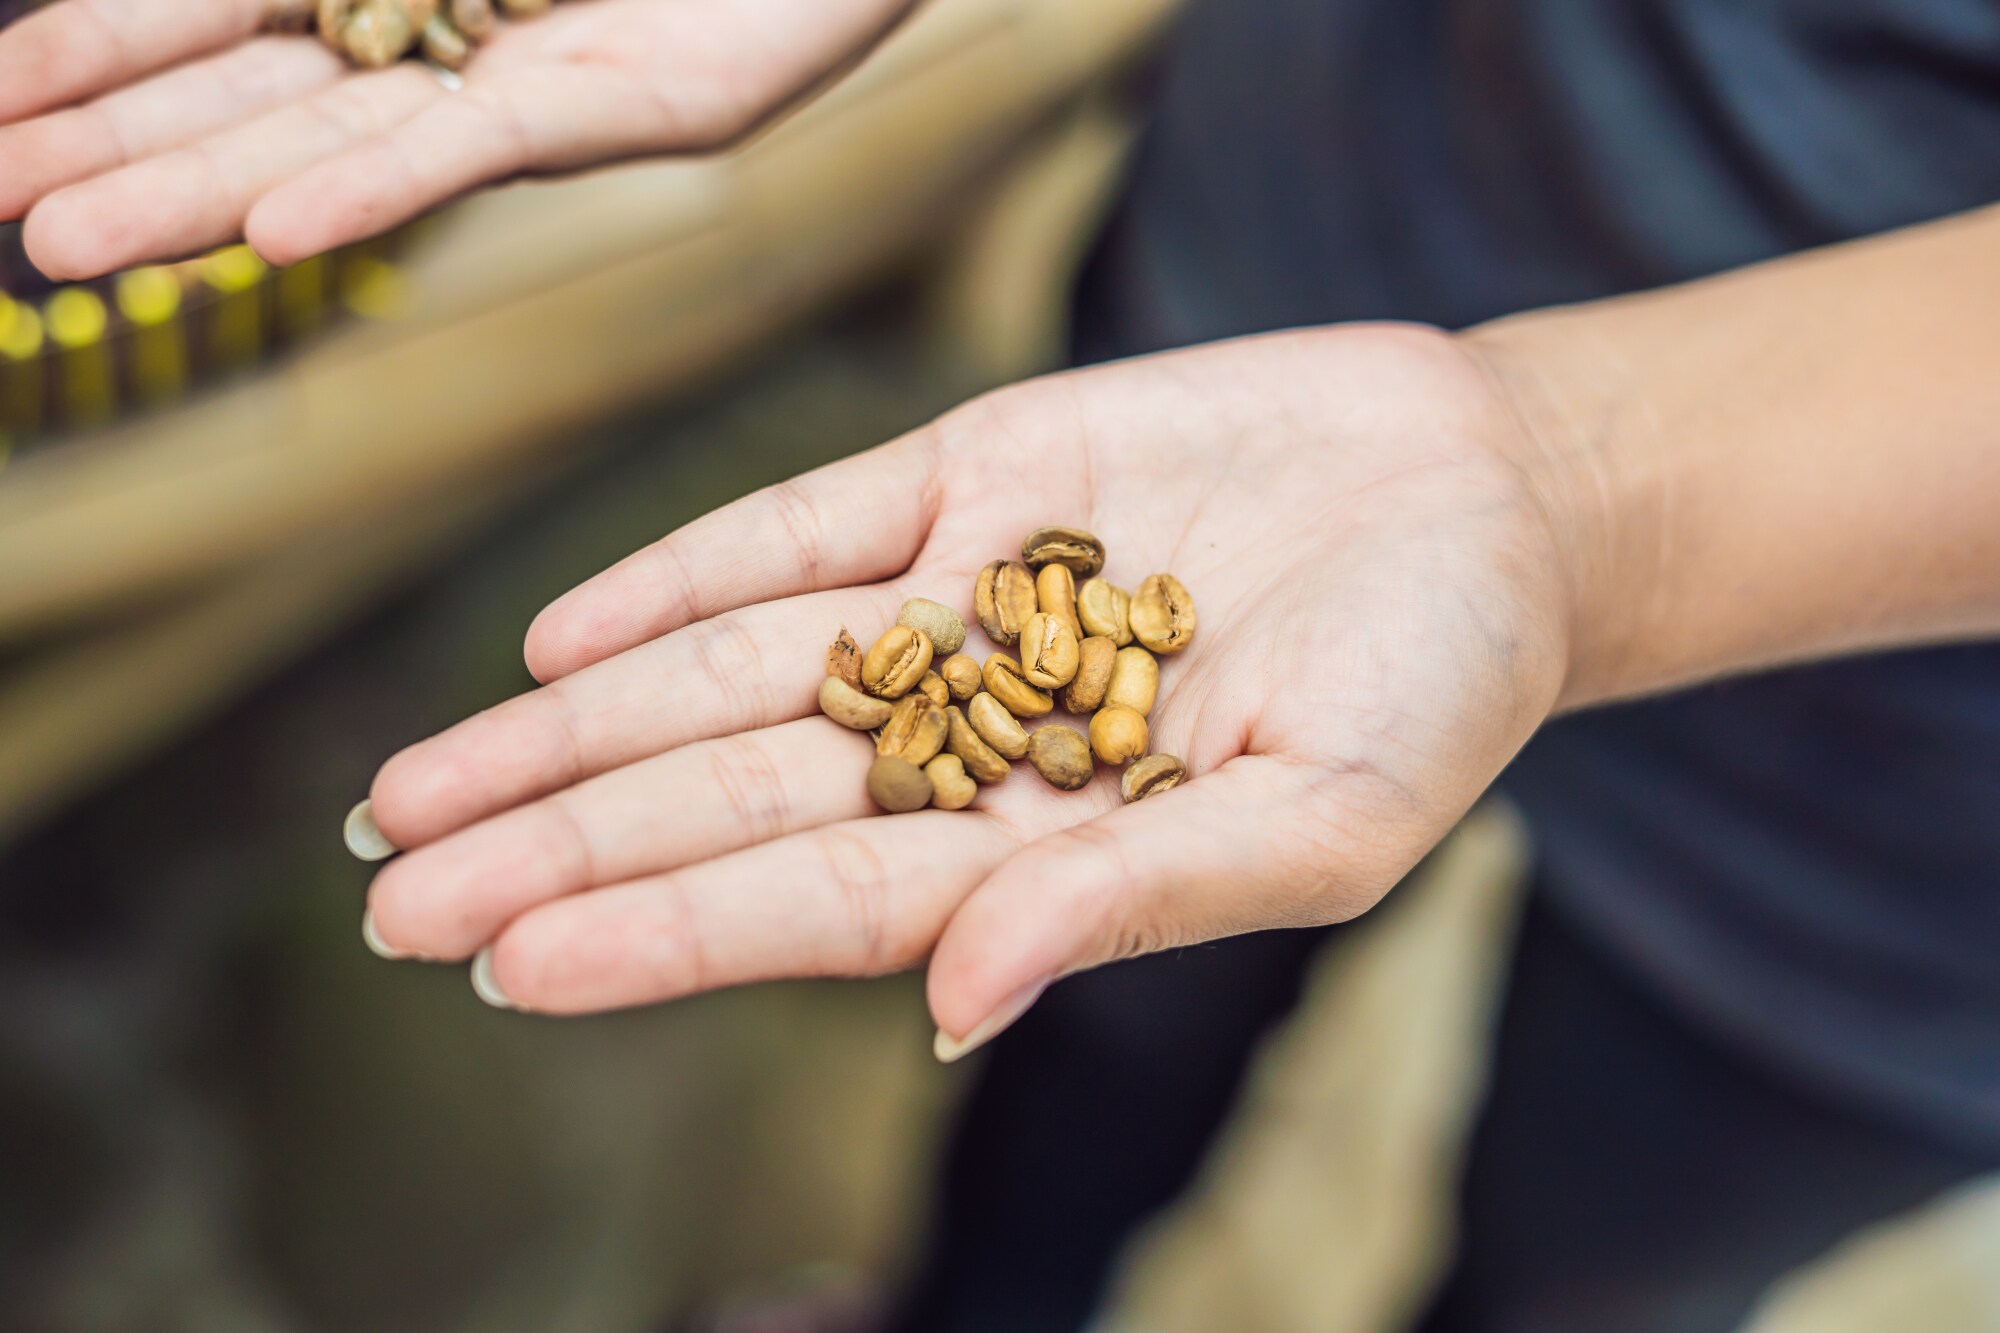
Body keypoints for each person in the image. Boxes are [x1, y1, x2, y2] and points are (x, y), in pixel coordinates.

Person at [5, 2, 1997, 1330]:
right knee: (1077, 1013)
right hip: (1308, 280)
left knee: (1592, 1265)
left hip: (1911, 844)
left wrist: (1582, 491)